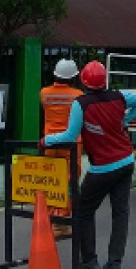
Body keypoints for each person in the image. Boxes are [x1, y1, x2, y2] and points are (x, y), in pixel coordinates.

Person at [41, 61, 136, 269]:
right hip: (126, 161)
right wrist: (124, 120)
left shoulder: (82, 104)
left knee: (82, 211)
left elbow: (70, 136)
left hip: (102, 167)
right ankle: (115, 264)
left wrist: (46, 140)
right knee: (121, 212)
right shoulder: (119, 97)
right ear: (105, 80)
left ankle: (90, 263)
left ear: (84, 81)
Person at [40, 58, 84, 239]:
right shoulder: (78, 95)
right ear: (73, 77)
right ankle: (61, 224)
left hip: (50, 142)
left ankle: (52, 218)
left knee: (53, 181)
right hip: (72, 144)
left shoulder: (44, 93)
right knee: (69, 182)